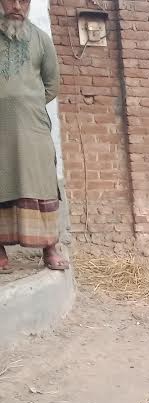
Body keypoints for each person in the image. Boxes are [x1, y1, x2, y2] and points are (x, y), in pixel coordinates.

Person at [0, 0, 68, 272]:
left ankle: (50, 247)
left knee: (42, 180)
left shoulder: (41, 40)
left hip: (33, 125)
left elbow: (52, 84)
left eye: (24, 1)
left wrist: (28, 103)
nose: (17, 6)